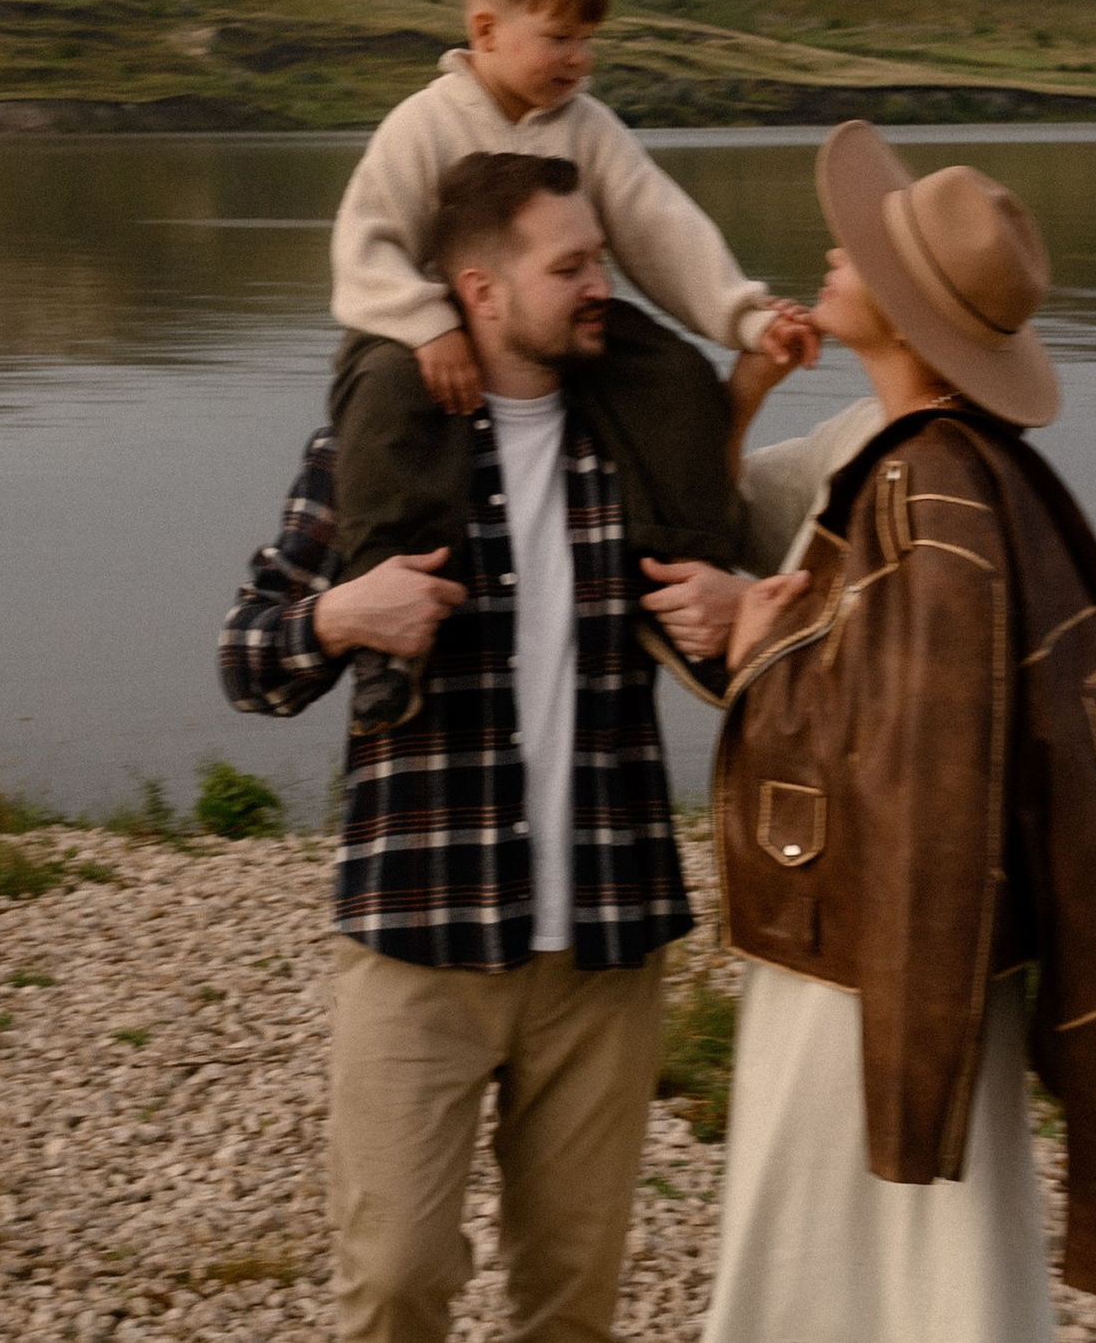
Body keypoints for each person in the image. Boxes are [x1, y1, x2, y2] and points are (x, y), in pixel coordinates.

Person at [649, 123, 1096, 1339]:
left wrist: (754, 644)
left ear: (906, 309)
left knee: (842, 1248)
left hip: (870, 947)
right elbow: (902, 690)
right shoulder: (928, 459)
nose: (833, 247)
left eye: (863, 249)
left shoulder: (927, 484)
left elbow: (911, 748)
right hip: (906, 937)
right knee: (918, 1253)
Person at [220, 151, 694, 1343]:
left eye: (602, 258)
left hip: (604, 943)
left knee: (573, 1301)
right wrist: (338, 615)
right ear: (478, 288)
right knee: (393, 1279)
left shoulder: (630, 448)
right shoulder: (376, 448)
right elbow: (245, 655)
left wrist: (746, 603)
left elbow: (744, 624)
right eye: (570, 265)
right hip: (418, 935)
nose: (602, 285)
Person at [328, 0, 814, 723]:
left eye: (589, 41)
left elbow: (660, 228)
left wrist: (743, 315)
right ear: (485, 29)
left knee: (675, 376)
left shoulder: (586, 126)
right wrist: (424, 323)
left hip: (550, 322)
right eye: (559, 39)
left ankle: (683, 588)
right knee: (379, 398)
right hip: (424, 332)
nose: (579, 60)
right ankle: (386, 637)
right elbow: (363, 247)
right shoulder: (425, 124)